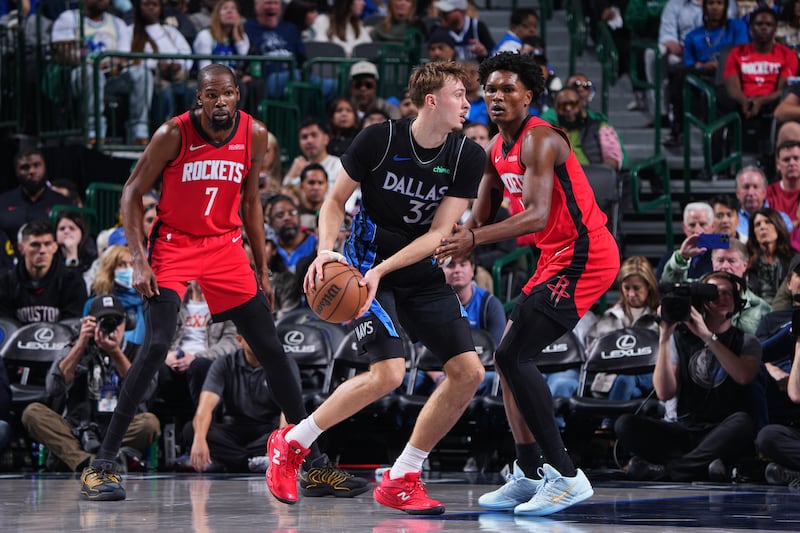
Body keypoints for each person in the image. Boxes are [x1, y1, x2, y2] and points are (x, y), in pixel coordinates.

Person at [78, 64, 365, 501]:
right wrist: (139, 259)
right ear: (199, 99)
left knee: (271, 348)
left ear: (237, 96)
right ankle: (101, 464)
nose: (220, 102)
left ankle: (314, 464)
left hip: (225, 245)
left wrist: (262, 269)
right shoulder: (171, 135)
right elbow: (133, 192)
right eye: (211, 95)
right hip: (173, 244)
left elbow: (251, 200)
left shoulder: (256, 134)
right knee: (156, 346)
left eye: (227, 94)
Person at [268, 60, 487, 515]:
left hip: (409, 269)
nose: (468, 103)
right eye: (459, 94)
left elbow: (438, 233)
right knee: (388, 373)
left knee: (469, 372)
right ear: (432, 100)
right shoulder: (379, 139)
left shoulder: (468, 156)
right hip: (361, 267)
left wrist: (384, 270)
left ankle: (404, 475)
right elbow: (332, 200)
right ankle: (293, 443)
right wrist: (327, 251)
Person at [434, 51, 619, 516]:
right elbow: (480, 213)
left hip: (585, 252)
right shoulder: (496, 149)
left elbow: (535, 214)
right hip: (554, 256)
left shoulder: (540, 140)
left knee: (516, 355)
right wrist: (448, 239)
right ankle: (530, 471)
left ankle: (566, 475)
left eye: (507, 89)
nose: (496, 97)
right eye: (490, 90)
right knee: (507, 357)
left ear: (529, 95)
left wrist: (472, 238)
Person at [615, 271, 761, 481]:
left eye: (728, 293)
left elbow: (744, 376)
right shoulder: (679, 338)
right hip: (684, 429)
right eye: (714, 293)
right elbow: (665, 393)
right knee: (625, 424)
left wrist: (707, 337)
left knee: (744, 422)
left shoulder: (747, 341)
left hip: (721, 433)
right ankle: (701, 466)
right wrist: (664, 338)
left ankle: (672, 471)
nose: (722, 298)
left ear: (737, 302)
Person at [21, 295, 161, 472]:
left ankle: (79, 459)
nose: (111, 327)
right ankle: (91, 461)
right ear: (90, 323)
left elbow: (145, 392)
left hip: (121, 428)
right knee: (32, 413)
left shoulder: (138, 351)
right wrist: (80, 345)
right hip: (77, 428)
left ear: (128, 323)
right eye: (104, 321)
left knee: (150, 423)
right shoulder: (75, 346)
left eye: (116, 321)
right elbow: (53, 387)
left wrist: (116, 353)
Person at [50, 0, 152, 144]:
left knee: (142, 73)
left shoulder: (117, 23)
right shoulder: (69, 18)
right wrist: (90, 62)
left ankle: (139, 133)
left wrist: (112, 64)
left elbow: (122, 57)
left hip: (112, 76)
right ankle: (94, 131)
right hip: (79, 74)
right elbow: (62, 51)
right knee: (92, 73)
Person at [186, 333, 288, 473]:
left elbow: (288, 409)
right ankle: (252, 462)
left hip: (268, 431)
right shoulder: (224, 363)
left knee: (296, 429)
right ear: (239, 339)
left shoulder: (281, 363)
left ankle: (230, 462)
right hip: (233, 430)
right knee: (191, 430)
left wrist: (278, 445)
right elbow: (205, 407)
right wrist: (199, 439)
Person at [585, 256, 660, 428]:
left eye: (637, 288)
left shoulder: (659, 316)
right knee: (631, 390)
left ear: (649, 286)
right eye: (626, 288)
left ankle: (609, 425)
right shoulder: (610, 316)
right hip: (614, 379)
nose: (631, 294)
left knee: (626, 378)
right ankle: (627, 447)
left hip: (651, 378)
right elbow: (591, 351)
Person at [663, 238, 772, 335]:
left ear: (745, 264)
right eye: (720, 260)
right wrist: (682, 257)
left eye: (731, 261)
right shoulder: (695, 291)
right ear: (712, 262)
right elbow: (670, 287)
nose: (725, 266)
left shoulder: (761, 308)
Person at [0, 220, 88, 324]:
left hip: (62, 340)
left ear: (55, 247)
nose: (42, 250)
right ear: (21, 248)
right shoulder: (6, 282)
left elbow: (74, 326)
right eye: (35, 245)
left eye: (47, 244)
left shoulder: (72, 281)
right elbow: (5, 327)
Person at [0, 148, 69, 251]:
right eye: (25, 167)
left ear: (45, 167)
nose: (32, 171)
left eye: (37, 165)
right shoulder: (3, 202)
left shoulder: (63, 203)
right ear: (16, 171)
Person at [83, 245, 147, 347]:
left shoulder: (146, 302)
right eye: (121, 264)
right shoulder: (94, 304)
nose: (129, 269)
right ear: (109, 270)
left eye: (132, 264)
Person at [549, 87, 626, 171]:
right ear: (556, 109)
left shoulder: (600, 127)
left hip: (593, 176)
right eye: (562, 105)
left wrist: (601, 171)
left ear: (581, 106)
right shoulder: (549, 132)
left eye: (573, 104)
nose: (568, 108)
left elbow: (613, 156)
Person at [745, 207, 794, 305]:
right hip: (756, 313)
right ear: (753, 233)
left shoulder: (793, 258)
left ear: (778, 226)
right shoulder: (747, 260)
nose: (762, 227)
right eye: (757, 224)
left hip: (785, 312)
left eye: (768, 222)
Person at [655, 201, 715, 281]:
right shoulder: (668, 258)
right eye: (692, 225)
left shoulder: (722, 258)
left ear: (713, 226)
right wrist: (681, 258)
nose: (697, 231)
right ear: (684, 227)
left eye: (702, 224)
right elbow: (661, 290)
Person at [283, 118, 343, 189]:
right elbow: (285, 194)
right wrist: (291, 175)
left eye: (314, 135)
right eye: (304, 137)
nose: (309, 141)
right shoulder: (297, 166)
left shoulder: (339, 165)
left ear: (326, 139)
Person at [192, 0, 250, 73]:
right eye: (225, 8)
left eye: (233, 8)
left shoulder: (242, 36)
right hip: (211, 81)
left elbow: (245, 62)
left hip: (236, 81)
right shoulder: (205, 35)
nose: (230, 11)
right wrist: (230, 73)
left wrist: (237, 36)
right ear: (217, 15)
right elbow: (205, 69)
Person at [265, 194, 318, 272]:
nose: (287, 218)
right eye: (280, 215)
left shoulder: (316, 243)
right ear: (270, 222)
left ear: (299, 216)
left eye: (292, 213)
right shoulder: (269, 250)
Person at [736, 165, 792, 238]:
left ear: (764, 192)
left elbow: (788, 247)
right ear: (737, 193)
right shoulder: (727, 222)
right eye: (746, 187)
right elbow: (719, 245)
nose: (751, 193)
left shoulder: (782, 219)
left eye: (755, 187)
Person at [297, 164, 329, 231]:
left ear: (327, 186)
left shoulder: (336, 213)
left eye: (320, 183)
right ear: (301, 186)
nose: (316, 187)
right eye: (311, 183)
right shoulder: (294, 215)